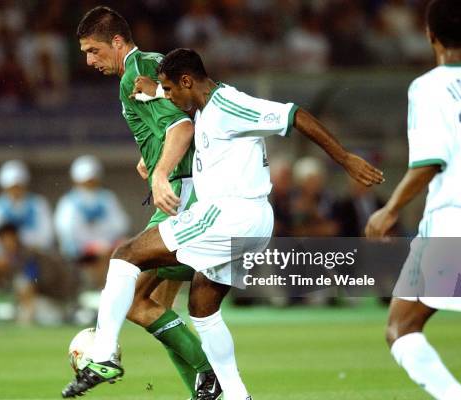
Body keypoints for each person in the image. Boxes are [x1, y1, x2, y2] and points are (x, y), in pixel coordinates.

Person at [61, 48, 383, 399]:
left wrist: (346, 159)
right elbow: (191, 112)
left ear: (187, 81)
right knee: (202, 308)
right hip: (249, 221)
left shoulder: (229, 105)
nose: (167, 98)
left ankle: (104, 354)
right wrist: (155, 92)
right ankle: (236, 394)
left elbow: (295, 115)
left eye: (169, 90)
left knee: (126, 256)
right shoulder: (206, 106)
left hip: (228, 216)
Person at [73, 6, 215, 399]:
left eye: (93, 50)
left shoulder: (138, 72)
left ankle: (212, 375)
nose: (89, 60)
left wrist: (160, 172)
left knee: (134, 297)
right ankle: (207, 388)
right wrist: (152, 155)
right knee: (153, 303)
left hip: (183, 195)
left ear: (117, 42)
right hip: (186, 190)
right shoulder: (152, 65)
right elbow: (180, 116)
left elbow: (181, 126)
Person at [365, 1, 461, 399]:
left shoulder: (428, 87)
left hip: (460, 219)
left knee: (402, 328)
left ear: (428, 34)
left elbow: (429, 162)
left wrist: (389, 209)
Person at [54, 155, 130, 289]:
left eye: (92, 179)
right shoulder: (69, 202)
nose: (89, 183)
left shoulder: (107, 198)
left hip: (107, 247)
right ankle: (98, 289)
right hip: (80, 252)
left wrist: (105, 243)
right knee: (99, 259)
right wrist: (90, 247)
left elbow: (121, 224)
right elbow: (66, 231)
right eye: (85, 180)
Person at [0, 223, 77, 325]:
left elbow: (29, 288)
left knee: (21, 286)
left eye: (6, 238)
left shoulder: (27, 255)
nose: (5, 243)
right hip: (46, 300)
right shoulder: (16, 256)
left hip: (55, 302)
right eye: (2, 240)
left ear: (15, 237)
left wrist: (25, 318)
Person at [0, 160, 54, 250]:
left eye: (19, 186)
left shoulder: (38, 204)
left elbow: (47, 235)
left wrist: (32, 246)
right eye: (12, 187)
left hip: (35, 255)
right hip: (7, 256)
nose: (16, 191)